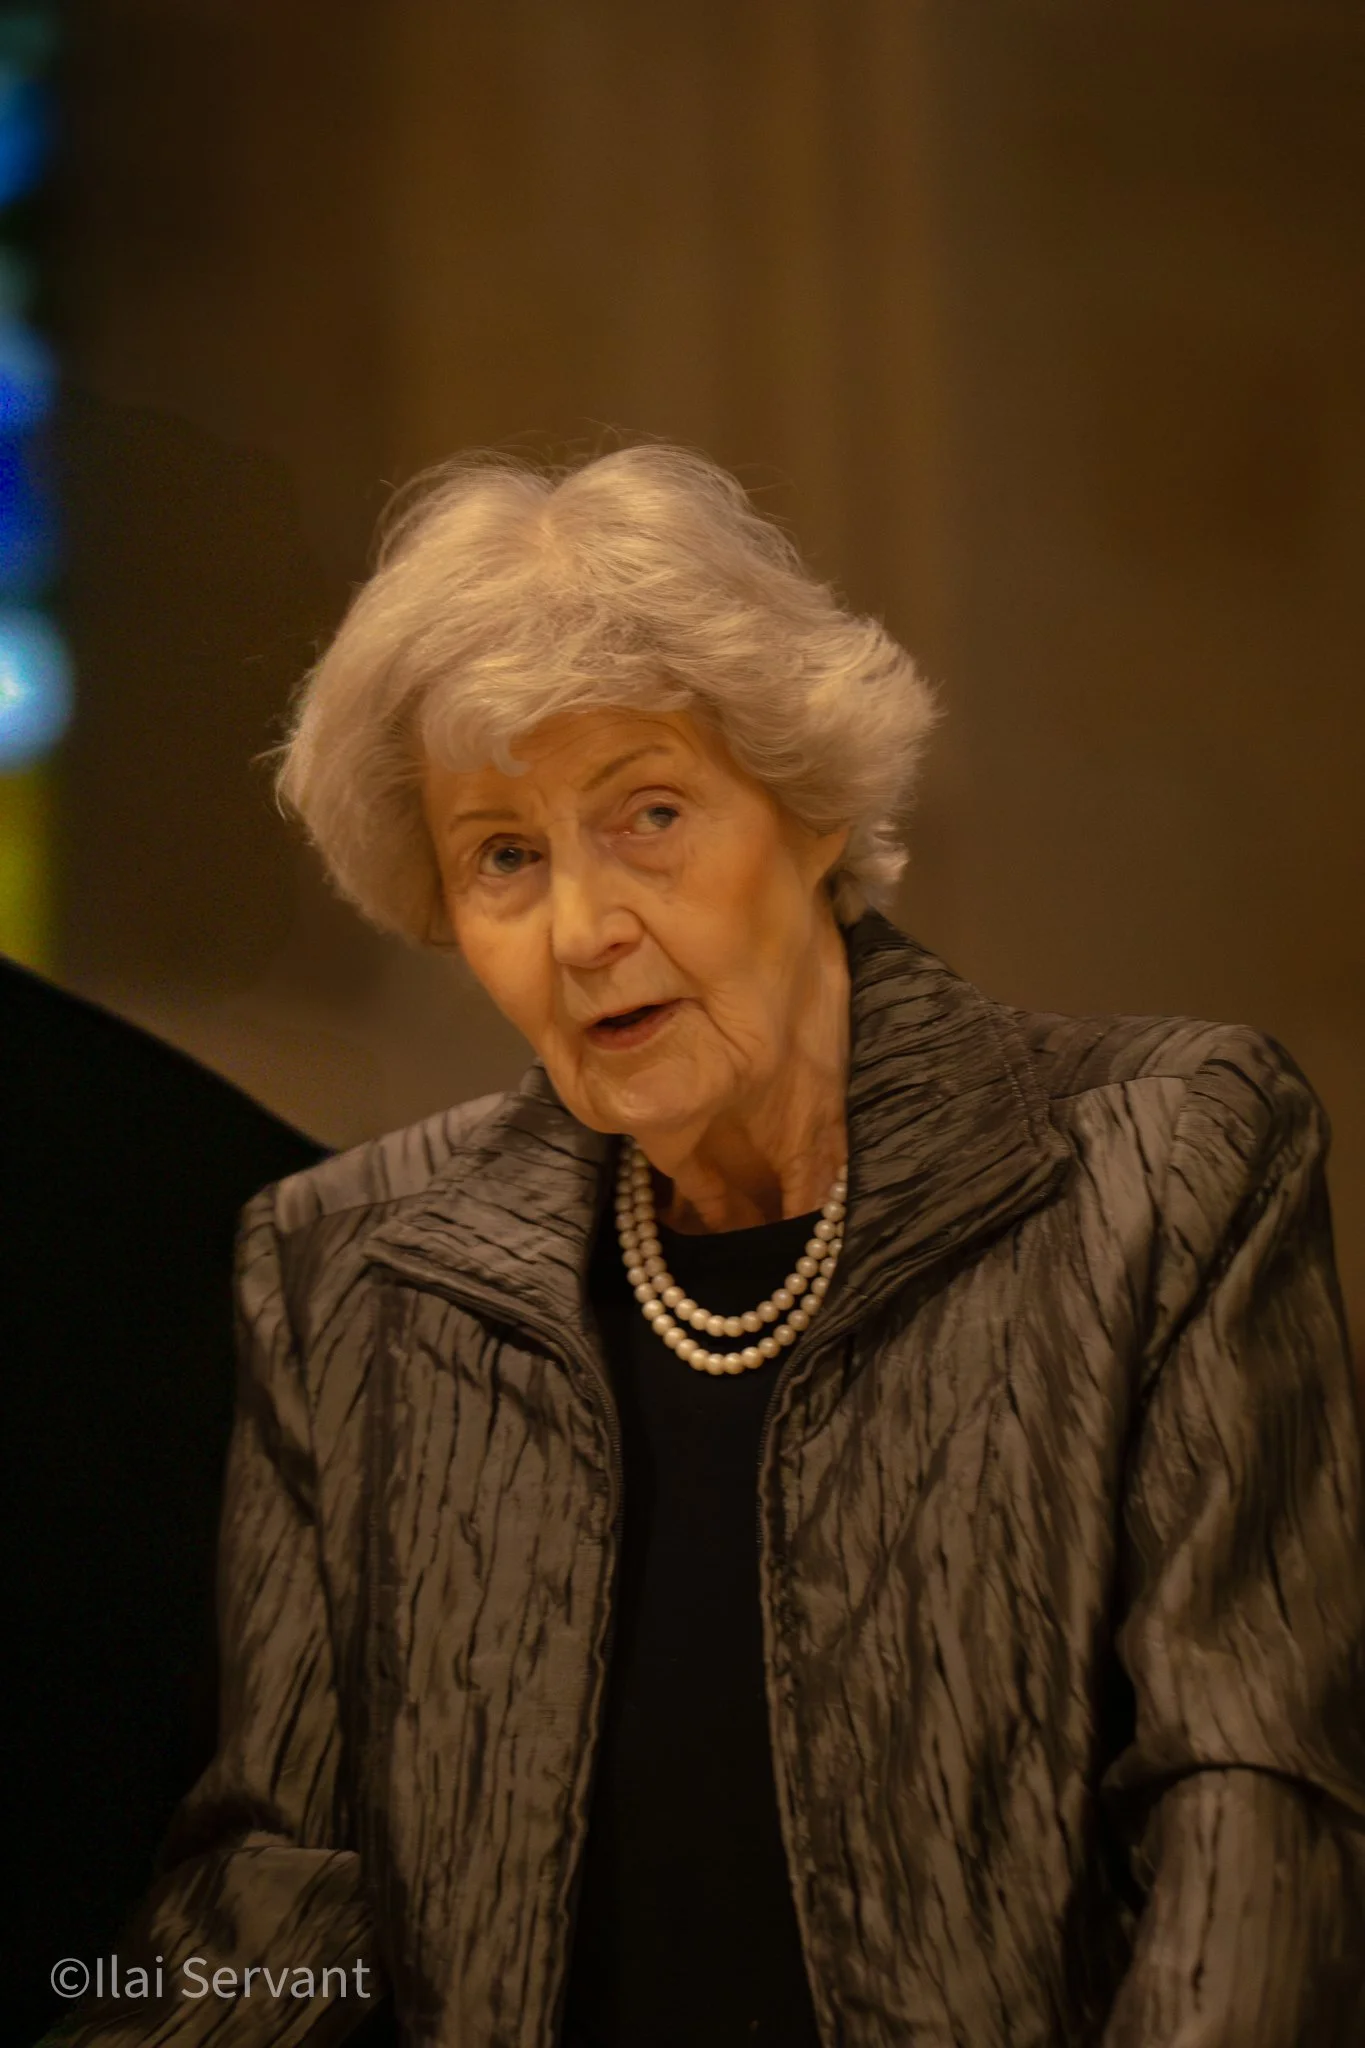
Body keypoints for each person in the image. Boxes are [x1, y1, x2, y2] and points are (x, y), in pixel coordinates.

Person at [55, 444, 1365, 2048]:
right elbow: (289, 1892)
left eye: (650, 814)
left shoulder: (1155, 1165)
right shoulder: (350, 1273)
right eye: (504, 857)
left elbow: (1252, 1800)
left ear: (805, 808)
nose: (585, 924)